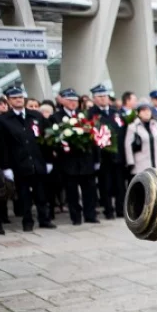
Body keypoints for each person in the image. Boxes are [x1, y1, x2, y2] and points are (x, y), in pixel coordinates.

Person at [0, 86, 54, 231]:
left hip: (37, 161)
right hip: (19, 163)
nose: (18, 100)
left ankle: (44, 219)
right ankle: (27, 221)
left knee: (41, 193)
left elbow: (46, 139)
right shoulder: (3, 120)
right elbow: (3, 145)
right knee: (24, 195)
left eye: (20, 97)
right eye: (15, 98)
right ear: (9, 101)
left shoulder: (35, 115)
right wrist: (6, 166)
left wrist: (48, 160)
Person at [51, 88, 97, 225]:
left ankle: (90, 215)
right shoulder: (56, 117)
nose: (73, 103)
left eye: (75, 100)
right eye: (69, 100)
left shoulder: (84, 115)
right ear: (63, 101)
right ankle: (76, 217)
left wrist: (96, 159)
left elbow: (93, 137)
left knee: (89, 189)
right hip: (68, 161)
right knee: (72, 192)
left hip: (85, 160)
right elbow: (53, 140)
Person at [88, 84, 128, 219]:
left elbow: (123, 132)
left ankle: (120, 209)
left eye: (105, 96)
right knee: (106, 185)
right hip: (103, 157)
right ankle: (108, 210)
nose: (103, 99)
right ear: (94, 99)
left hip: (119, 155)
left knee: (120, 184)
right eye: (100, 96)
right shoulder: (91, 114)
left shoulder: (115, 112)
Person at [124, 103, 157, 178]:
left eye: (148, 110)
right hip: (141, 164)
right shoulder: (133, 127)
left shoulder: (156, 125)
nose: (146, 113)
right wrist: (130, 162)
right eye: (143, 110)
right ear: (138, 113)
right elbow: (128, 145)